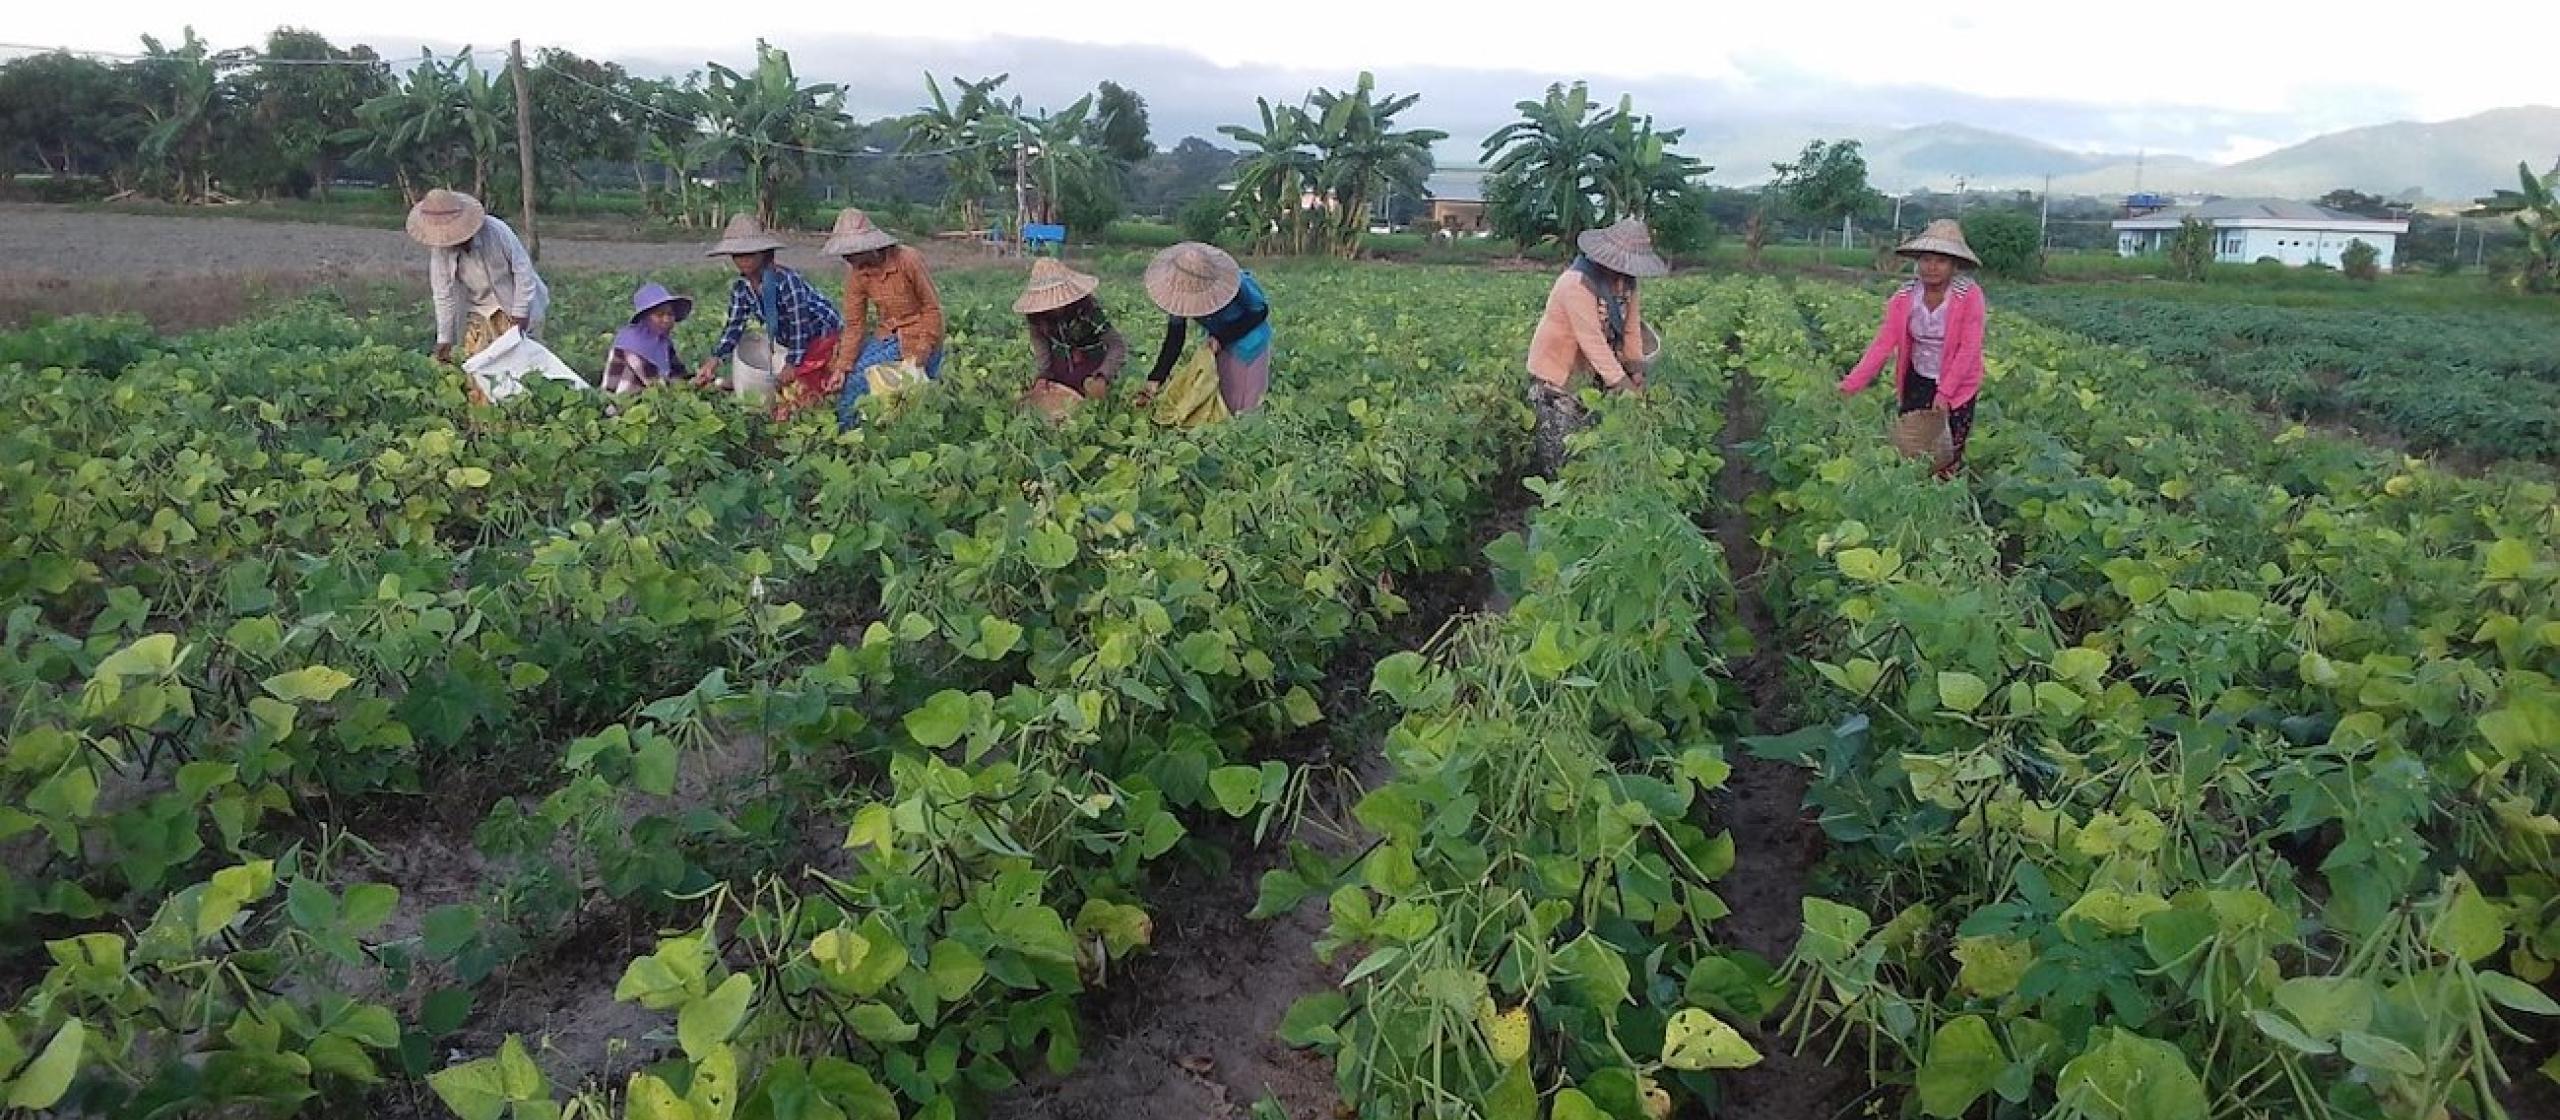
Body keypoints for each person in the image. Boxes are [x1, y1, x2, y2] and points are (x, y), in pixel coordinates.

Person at [1839, 219, 1988, 479]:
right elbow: (1883, 343)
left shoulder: (1968, 295)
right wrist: (1851, 384)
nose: (1931, 267)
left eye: (1941, 261)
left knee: (1946, 453)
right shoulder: (1905, 296)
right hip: (1917, 379)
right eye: (1926, 259)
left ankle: (1942, 505)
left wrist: (1945, 393)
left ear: (1955, 265)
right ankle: (1911, 498)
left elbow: (1969, 349)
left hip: (1958, 385)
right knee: (1912, 447)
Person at [1523, 217, 1665, 475]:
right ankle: (1553, 505)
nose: (1623, 273)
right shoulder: (1576, 285)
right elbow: (1593, 343)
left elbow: (1631, 330)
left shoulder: (1628, 284)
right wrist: (1625, 388)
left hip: (1589, 377)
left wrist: (1636, 372)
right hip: (1556, 377)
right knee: (1563, 456)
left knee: (1591, 447)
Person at [693, 215, 845, 423]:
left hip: (821, 333)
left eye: (749, 254)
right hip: (790, 339)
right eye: (737, 255)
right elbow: (734, 326)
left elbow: (799, 323)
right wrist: (714, 360)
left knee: (807, 393)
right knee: (786, 389)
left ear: (763, 254)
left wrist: (793, 363)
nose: (743, 260)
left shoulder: (786, 281)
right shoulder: (742, 288)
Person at [409, 189, 551, 395]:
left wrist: (520, 315)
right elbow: (443, 295)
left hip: (514, 304)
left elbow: (523, 271)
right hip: (478, 311)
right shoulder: (441, 250)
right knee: (478, 369)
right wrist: (444, 339)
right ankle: (484, 421)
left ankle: (525, 416)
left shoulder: (496, 230)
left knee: (522, 369)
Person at [823, 208, 946, 430]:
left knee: (914, 397)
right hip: (889, 334)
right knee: (855, 377)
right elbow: (854, 324)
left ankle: (857, 431)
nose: (848, 258)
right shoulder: (857, 274)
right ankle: (847, 433)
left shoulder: (907, 260)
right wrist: (842, 367)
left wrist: (924, 347)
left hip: (920, 333)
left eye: (852, 253)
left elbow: (932, 308)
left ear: (870, 247)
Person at [1136, 242, 1273, 418]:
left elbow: (1260, 311)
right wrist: (1156, 378)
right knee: (1222, 399)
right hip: (1220, 344)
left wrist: (1222, 338)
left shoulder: (1238, 283)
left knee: (1245, 407)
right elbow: (1175, 339)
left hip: (1250, 342)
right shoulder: (1178, 297)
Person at [1015, 258, 1127, 415]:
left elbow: (1117, 345)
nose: (1053, 305)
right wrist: (1043, 374)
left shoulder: (1087, 310)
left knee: (1090, 412)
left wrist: (1103, 375)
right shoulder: (1036, 315)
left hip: (1089, 368)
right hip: (1059, 366)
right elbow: (1040, 343)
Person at [602, 283, 692, 395]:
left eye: (670, 314)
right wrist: (690, 385)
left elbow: (679, 374)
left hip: (653, 402)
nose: (666, 319)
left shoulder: (663, 342)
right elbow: (656, 385)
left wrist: (697, 380)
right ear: (645, 317)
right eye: (660, 315)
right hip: (623, 405)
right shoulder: (631, 344)